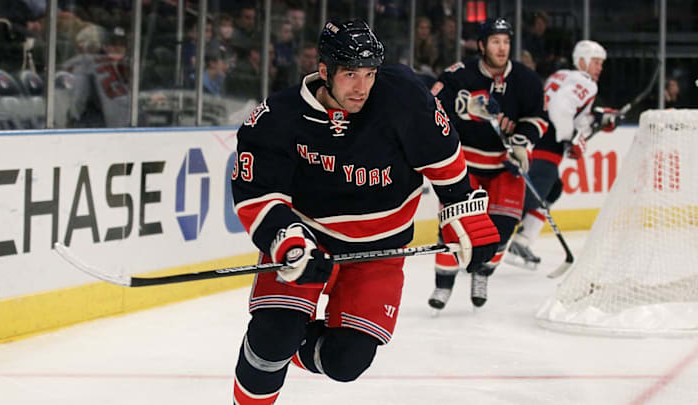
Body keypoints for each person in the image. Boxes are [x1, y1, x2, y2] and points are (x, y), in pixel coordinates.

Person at [230, 19, 499, 404]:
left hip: (380, 253)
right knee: (273, 336)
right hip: (311, 241)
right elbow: (258, 195)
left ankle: (286, 349)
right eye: (351, 74)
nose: (362, 88)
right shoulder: (278, 118)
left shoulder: (402, 97)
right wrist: (289, 244)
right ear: (324, 72)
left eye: (370, 74)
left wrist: (464, 214)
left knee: (346, 362)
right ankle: (271, 350)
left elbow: (443, 161)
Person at [427, 18, 548, 311]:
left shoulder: (526, 79)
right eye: (495, 41)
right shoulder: (459, 75)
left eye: (506, 41)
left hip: (506, 167)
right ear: (481, 45)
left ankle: (481, 274)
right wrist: (464, 111)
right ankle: (443, 283)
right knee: (454, 229)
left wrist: (521, 144)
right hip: (465, 166)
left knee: (502, 231)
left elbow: (538, 119)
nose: (502, 47)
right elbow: (429, 105)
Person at [506, 40, 617, 269]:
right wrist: (572, 137)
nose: (600, 68)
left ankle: (523, 239)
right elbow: (561, 109)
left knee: (553, 189)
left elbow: (570, 109)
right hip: (547, 144)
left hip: (536, 137)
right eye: (596, 62)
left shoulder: (562, 75)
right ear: (583, 61)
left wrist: (598, 117)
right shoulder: (585, 82)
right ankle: (488, 241)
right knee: (528, 197)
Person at [67, 25, 131, 128]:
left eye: (121, 44)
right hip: (101, 126)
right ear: (104, 46)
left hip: (122, 127)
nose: (117, 48)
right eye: (113, 44)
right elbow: (78, 99)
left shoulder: (130, 67)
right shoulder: (87, 64)